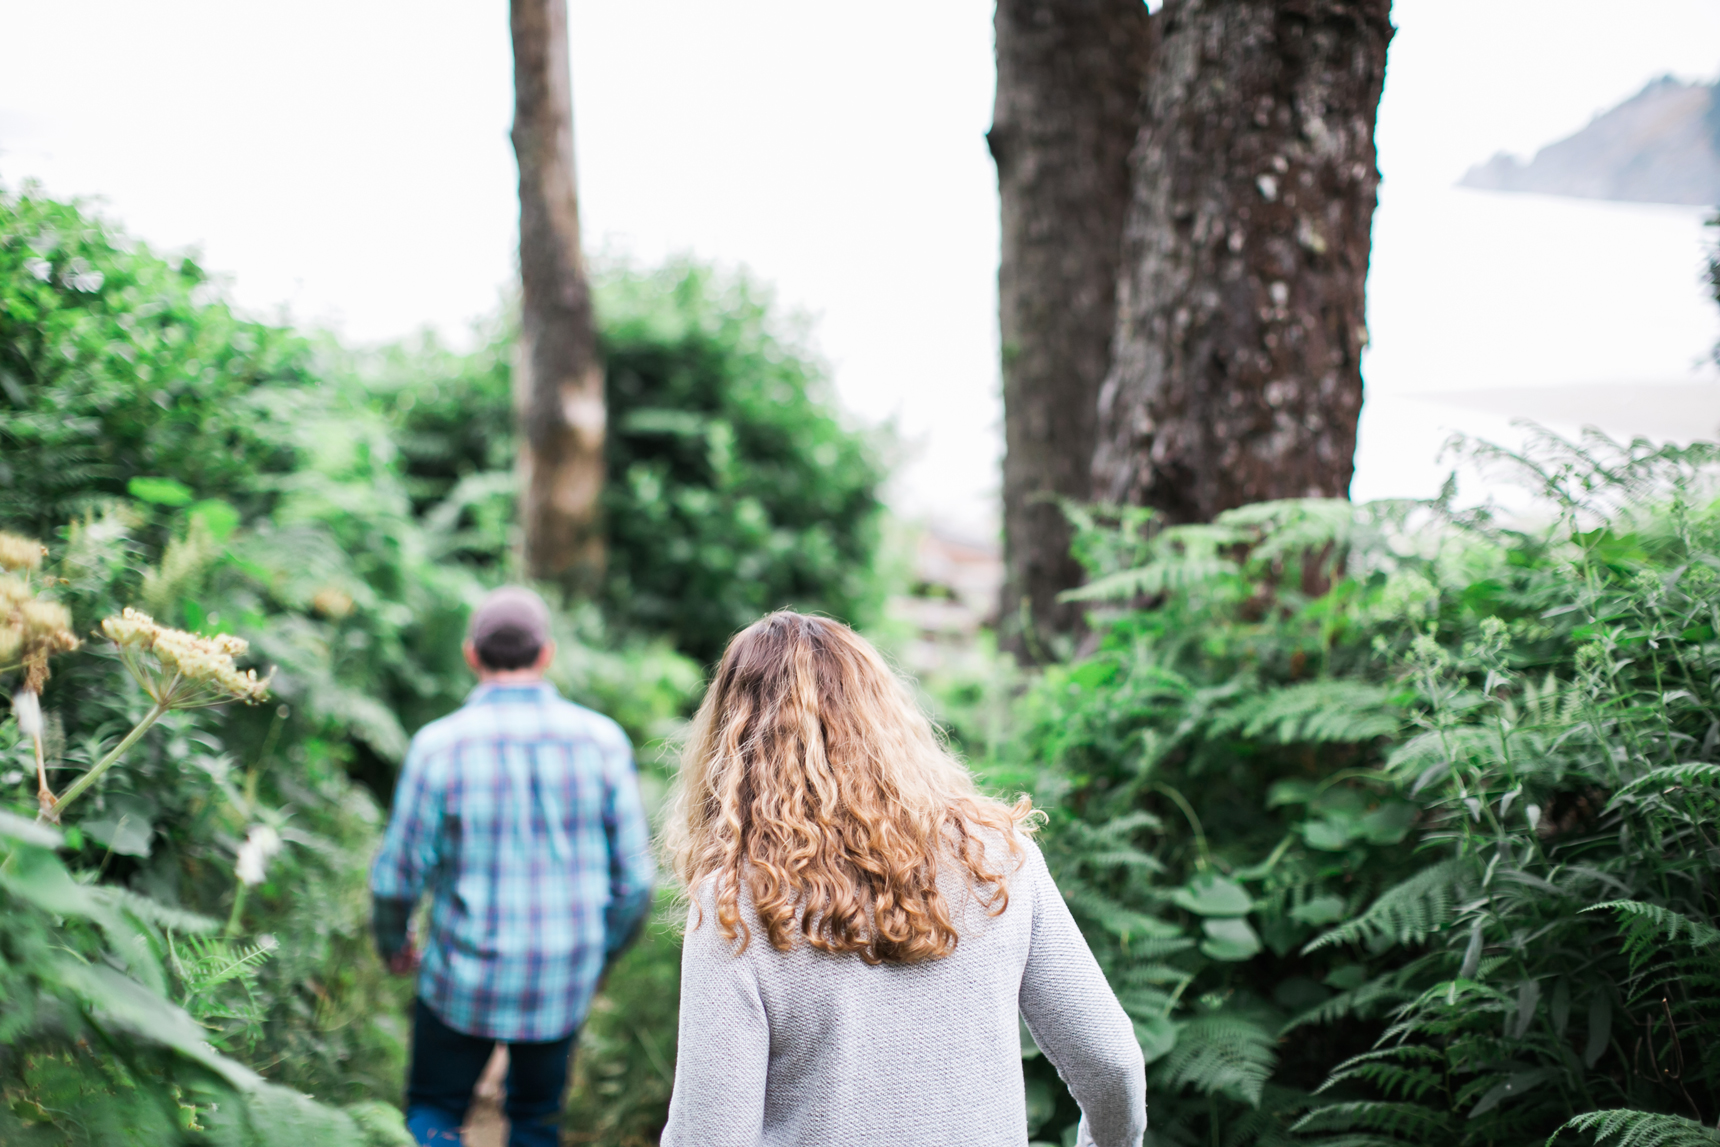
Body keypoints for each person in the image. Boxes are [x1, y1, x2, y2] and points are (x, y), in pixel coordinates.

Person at [660, 611, 1146, 1147]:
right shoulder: (998, 857)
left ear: (732, 741)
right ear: (883, 714)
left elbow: (709, 1135)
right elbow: (1111, 1061)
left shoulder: (737, 904)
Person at [370, 586, 655, 1147]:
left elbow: (396, 877)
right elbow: (636, 882)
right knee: (535, 1120)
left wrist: (393, 943)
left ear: (471, 655)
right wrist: (602, 955)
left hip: (460, 976)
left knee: (434, 1110)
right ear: (546, 655)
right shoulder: (602, 743)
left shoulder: (438, 746)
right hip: (562, 975)